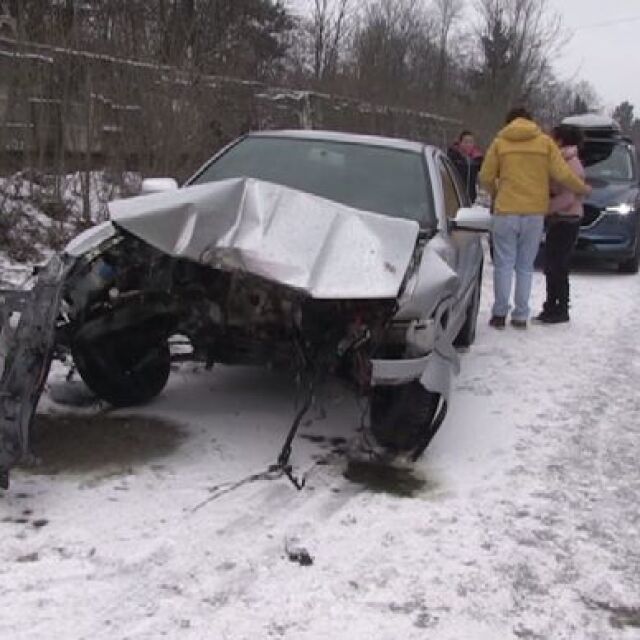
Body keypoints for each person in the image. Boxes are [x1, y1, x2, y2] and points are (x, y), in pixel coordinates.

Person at [479, 107, 591, 330]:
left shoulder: (500, 142)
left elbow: (485, 176)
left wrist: (495, 193)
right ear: (531, 121)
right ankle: (521, 315)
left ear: (509, 122)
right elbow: (563, 174)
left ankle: (500, 314)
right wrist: (582, 188)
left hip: (506, 210)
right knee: (525, 266)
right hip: (534, 213)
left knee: (503, 264)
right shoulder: (544, 143)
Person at [535, 125, 585, 324]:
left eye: (553, 137)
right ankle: (552, 305)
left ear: (561, 141)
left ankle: (560, 308)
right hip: (562, 218)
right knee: (552, 264)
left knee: (558, 265)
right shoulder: (563, 160)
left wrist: (546, 208)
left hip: (566, 218)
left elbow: (568, 196)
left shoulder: (570, 164)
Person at [448, 130, 484, 203]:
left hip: (471, 197)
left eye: (471, 142)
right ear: (460, 143)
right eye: (466, 142)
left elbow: (485, 173)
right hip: (455, 196)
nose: (468, 145)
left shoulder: (477, 159)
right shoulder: (453, 156)